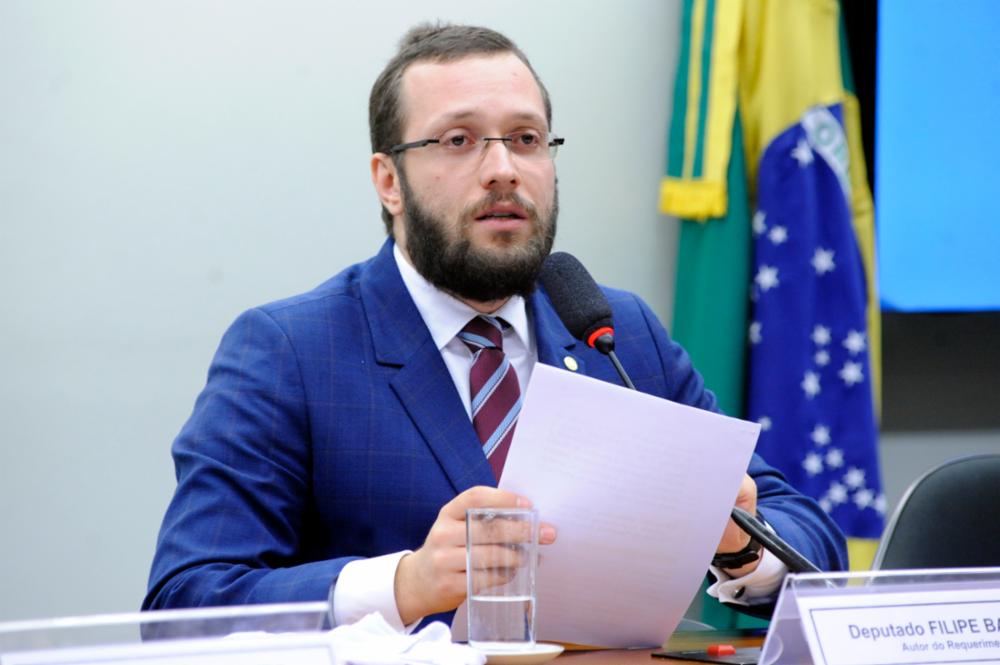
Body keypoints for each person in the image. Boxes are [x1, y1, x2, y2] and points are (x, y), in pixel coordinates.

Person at [144, 23, 847, 631]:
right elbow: (187, 602)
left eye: (526, 138)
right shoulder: (292, 351)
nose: (503, 169)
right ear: (389, 181)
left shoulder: (614, 332)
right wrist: (402, 585)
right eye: (459, 140)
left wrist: (741, 545)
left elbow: (813, 541)